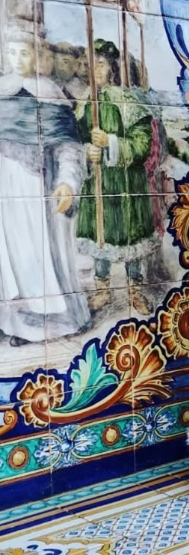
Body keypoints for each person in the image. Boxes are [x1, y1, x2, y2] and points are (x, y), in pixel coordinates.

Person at [0, 25, 90, 346]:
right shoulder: (1, 90)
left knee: (40, 258)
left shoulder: (50, 94)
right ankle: (15, 324)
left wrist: (67, 181)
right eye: (12, 52)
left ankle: (49, 323)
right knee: (10, 257)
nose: (18, 58)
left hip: (39, 187)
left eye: (24, 52)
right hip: (6, 190)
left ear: (36, 56)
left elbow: (69, 146)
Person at [76, 39, 156, 315]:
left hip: (126, 185)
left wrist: (111, 143)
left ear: (111, 67)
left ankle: (136, 290)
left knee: (131, 240)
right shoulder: (85, 102)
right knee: (101, 238)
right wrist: (88, 150)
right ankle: (102, 290)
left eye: (99, 63)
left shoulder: (129, 101)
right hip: (98, 183)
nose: (94, 70)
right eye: (90, 64)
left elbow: (142, 145)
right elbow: (75, 140)